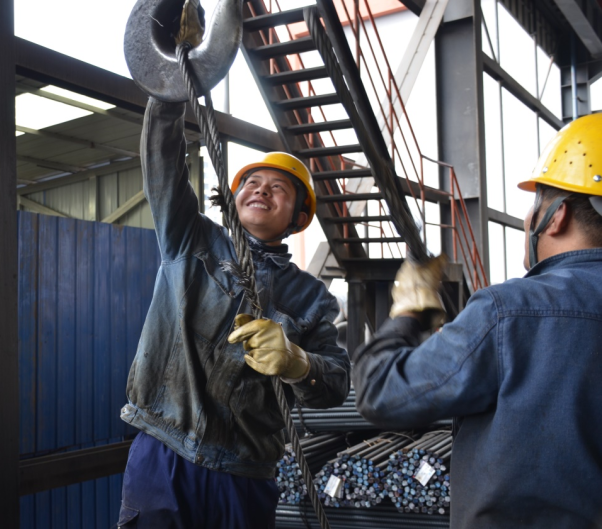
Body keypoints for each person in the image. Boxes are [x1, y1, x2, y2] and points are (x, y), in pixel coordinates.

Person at [349, 113, 602, 529]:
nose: (528, 218)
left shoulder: (508, 311)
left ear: (556, 216)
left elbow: (382, 391)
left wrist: (408, 311)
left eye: (535, 202)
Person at [117, 98, 351, 528]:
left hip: (243, 474)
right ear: (234, 198)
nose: (262, 190)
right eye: (252, 183)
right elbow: (162, 162)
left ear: (298, 216)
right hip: (164, 455)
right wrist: (167, 93)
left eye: (278, 188)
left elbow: (335, 384)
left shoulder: (312, 297)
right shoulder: (190, 238)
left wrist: (298, 363)